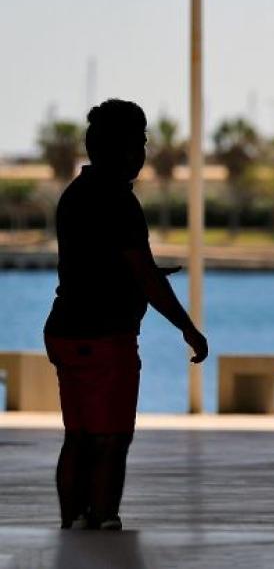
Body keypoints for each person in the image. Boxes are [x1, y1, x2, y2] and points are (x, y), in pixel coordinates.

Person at [43, 99, 209, 530]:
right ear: (121, 149)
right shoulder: (119, 201)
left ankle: (73, 521)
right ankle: (103, 518)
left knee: (78, 437)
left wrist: (142, 273)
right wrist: (189, 328)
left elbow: (101, 262)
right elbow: (144, 277)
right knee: (112, 439)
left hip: (65, 329)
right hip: (105, 337)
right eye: (139, 143)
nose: (144, 153)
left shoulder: (75, 195)